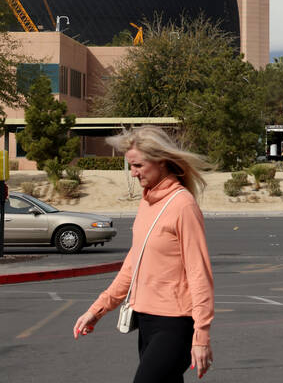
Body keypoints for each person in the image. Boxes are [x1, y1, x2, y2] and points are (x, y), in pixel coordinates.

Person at [74, 126, 215, 381]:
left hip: (176, 325)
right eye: (131, 166)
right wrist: (97, 310)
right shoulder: (147, 202)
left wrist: (201, 336)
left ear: (160, 160)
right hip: (146, 322)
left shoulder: (182, 205)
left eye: (138, 165)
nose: (134, 173)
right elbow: (132, 266)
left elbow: (199, 274)